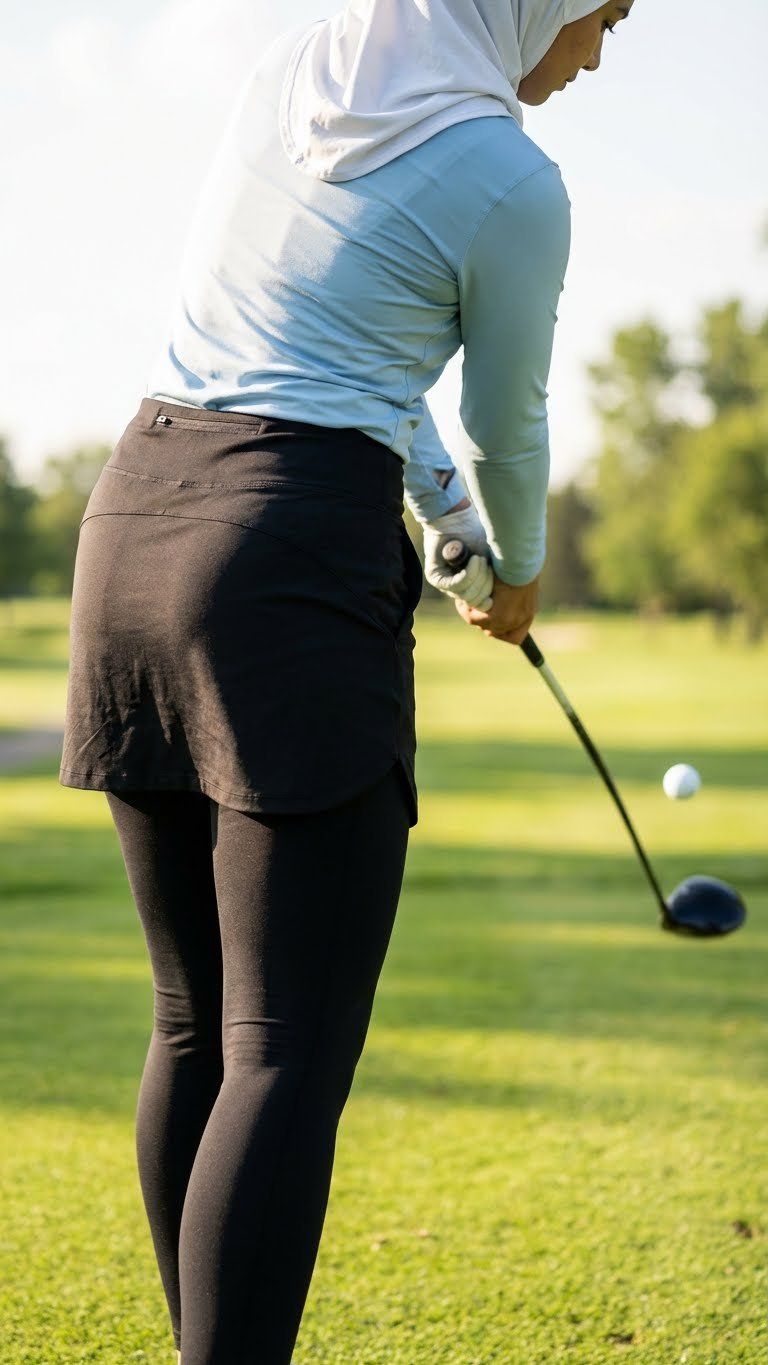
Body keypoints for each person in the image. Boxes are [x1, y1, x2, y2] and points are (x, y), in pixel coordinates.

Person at [60, 2, 636, 1361]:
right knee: (282, 1049)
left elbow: (341, 355)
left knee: (199, 1026)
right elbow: (510, 420)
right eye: (605, 15)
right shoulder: (511, 176)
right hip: (285, 561)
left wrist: (444, 525)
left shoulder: (298, 74)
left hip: (134, 520)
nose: (597, 52)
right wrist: (524, 568)